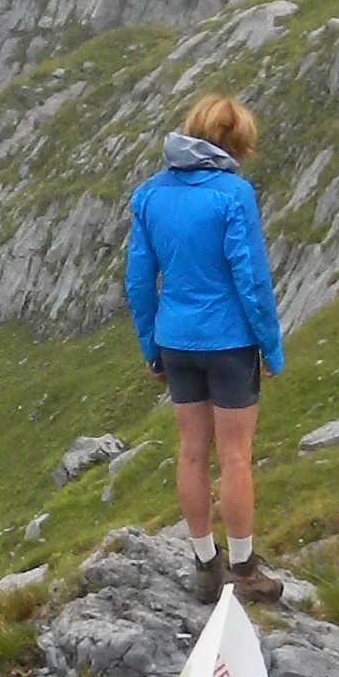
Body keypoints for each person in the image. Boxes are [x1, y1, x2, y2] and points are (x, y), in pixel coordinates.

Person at [127, 92, 286, 607]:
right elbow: (251, 278)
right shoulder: (233, 194)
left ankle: (205, 566)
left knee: (192, 450)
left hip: (176, 339)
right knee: (235, 456)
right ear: (235, 144)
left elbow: (138, 281)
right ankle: (244, 570)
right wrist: (271, 347)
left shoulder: (150, 195)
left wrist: (152, 346)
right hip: (230, 341)